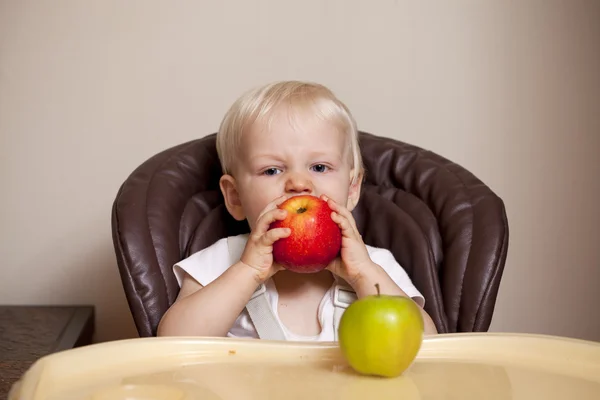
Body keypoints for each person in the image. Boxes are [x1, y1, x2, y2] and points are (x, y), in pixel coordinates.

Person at [157, 81, 438, 340]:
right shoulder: (222, 262)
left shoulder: (376, 266)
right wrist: (248, 271)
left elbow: (425, 345)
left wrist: (363, 275)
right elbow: (172, 342)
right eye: (272, 170)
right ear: (235, 197)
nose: (299, 183)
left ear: (352, 189)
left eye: (319, 167)